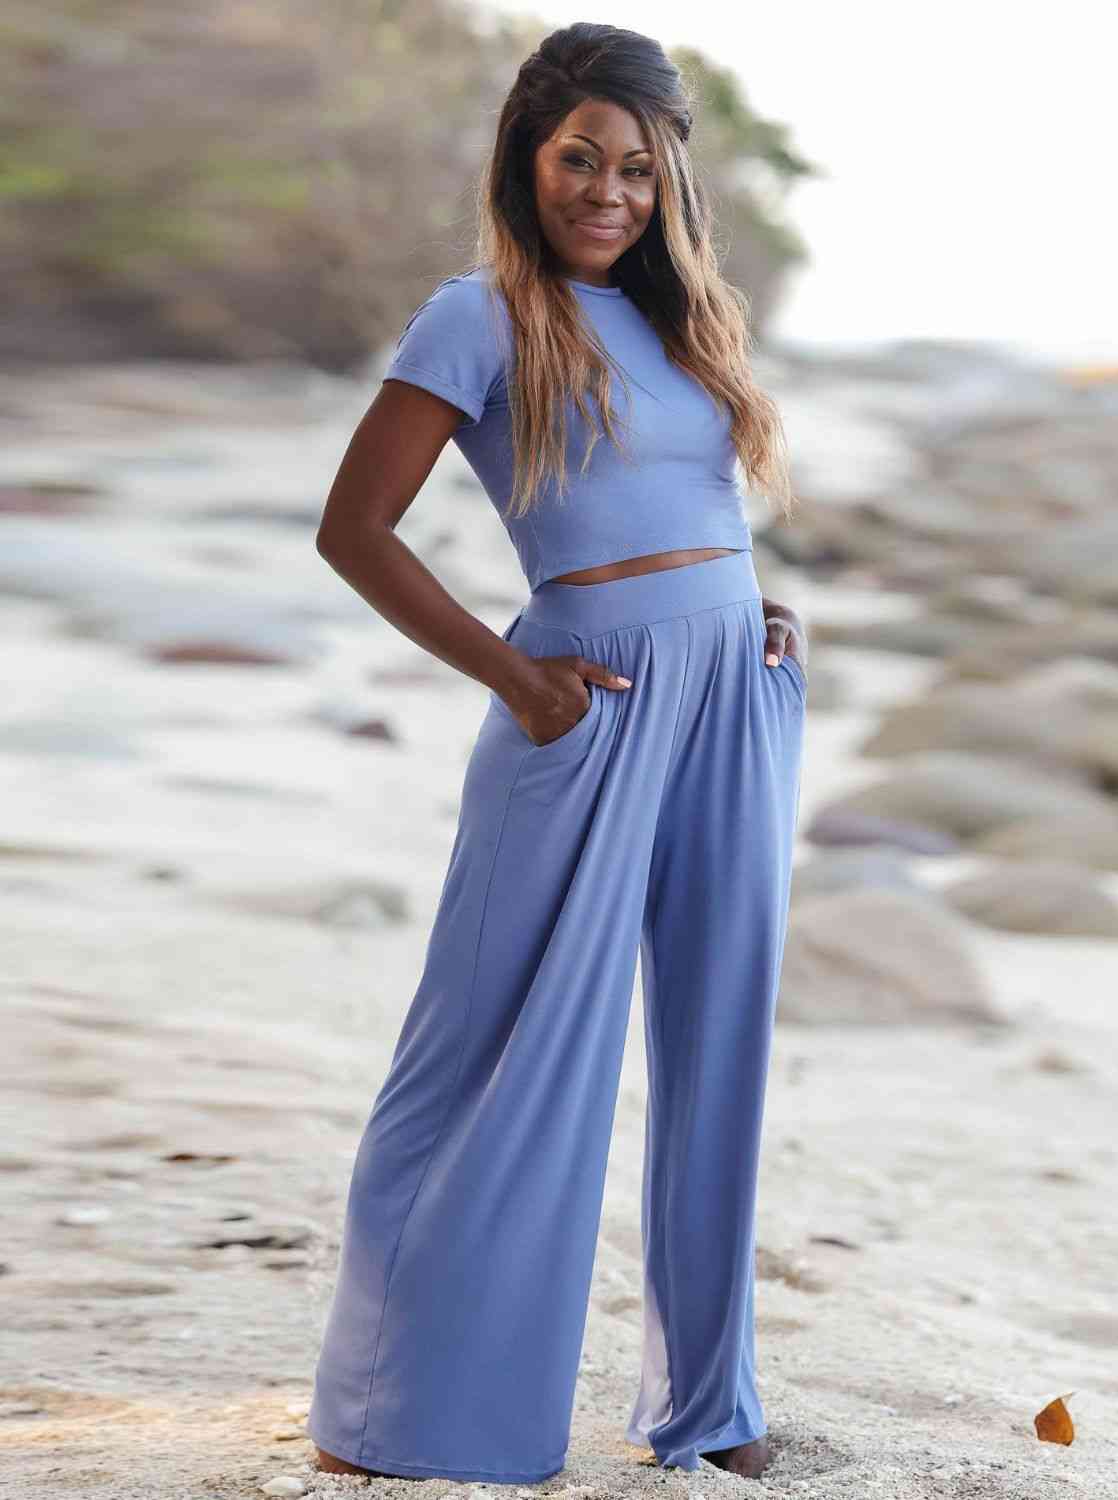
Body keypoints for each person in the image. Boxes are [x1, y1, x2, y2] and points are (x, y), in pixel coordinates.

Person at [306, 22, 808, 1487]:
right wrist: (517, 680)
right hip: (584, 705)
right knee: (497, 1051)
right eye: (579, 159)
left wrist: (740, 596)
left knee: (719, 1046)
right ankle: (398, 1417)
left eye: (636, 169)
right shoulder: (475, 316)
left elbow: (686, 503)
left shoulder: (688, 318)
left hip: (737, 692)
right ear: (526, 163)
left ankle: (707, 1405)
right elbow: (353, 531)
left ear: (669, 186)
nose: (607, 191)